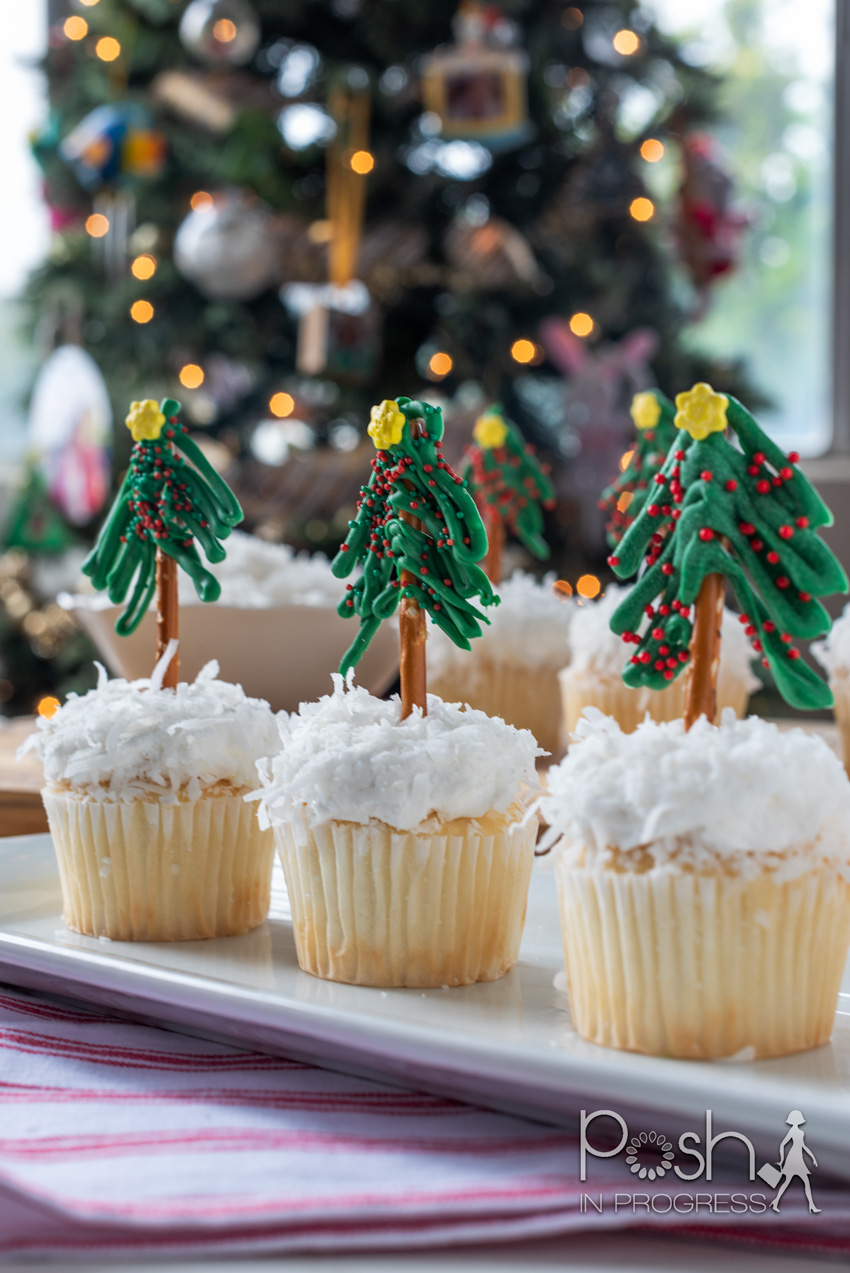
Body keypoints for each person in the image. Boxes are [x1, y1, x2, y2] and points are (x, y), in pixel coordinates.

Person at [770, 1110, 820, 1214]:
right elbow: (783, 1145)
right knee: (796, 1182)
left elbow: (803, 1146)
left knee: (795, 1182)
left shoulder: (800, 1132)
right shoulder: (793, 1131)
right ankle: (811, 1206)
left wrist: (812, 1158)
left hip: (798, 1157)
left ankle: (811, 1206)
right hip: (793, 1158)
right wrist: (782, 1160)